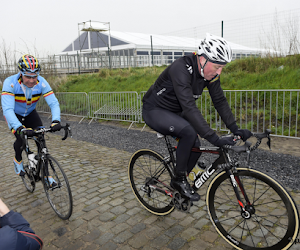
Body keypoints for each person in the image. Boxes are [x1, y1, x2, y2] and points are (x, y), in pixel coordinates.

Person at [142, 34, 252, 201]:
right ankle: (178, 179)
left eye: (222, 67)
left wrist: (234, 128)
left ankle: (181, 178)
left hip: (176, 111)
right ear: (203, 59)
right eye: (216, 67)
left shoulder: (210, 74)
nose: (219, 72)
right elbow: (189, 107)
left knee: (195, 144)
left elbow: (220, 101)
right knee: (189, 133)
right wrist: (214, 138)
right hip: (155, 110)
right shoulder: (180, 68)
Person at [1, 54, 61, 185]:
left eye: (35, 76)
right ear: (21, 73)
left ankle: (46, 176)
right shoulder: (10, 83)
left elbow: (53, 103)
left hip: (30, 114)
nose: (32, 80)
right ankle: (18, 160)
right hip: (14, 115)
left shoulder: (42, 82)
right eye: (28, 76)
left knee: (41, 141)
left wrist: (56, 120)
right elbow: (8, 110)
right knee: (21, 138)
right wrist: (19, 127)